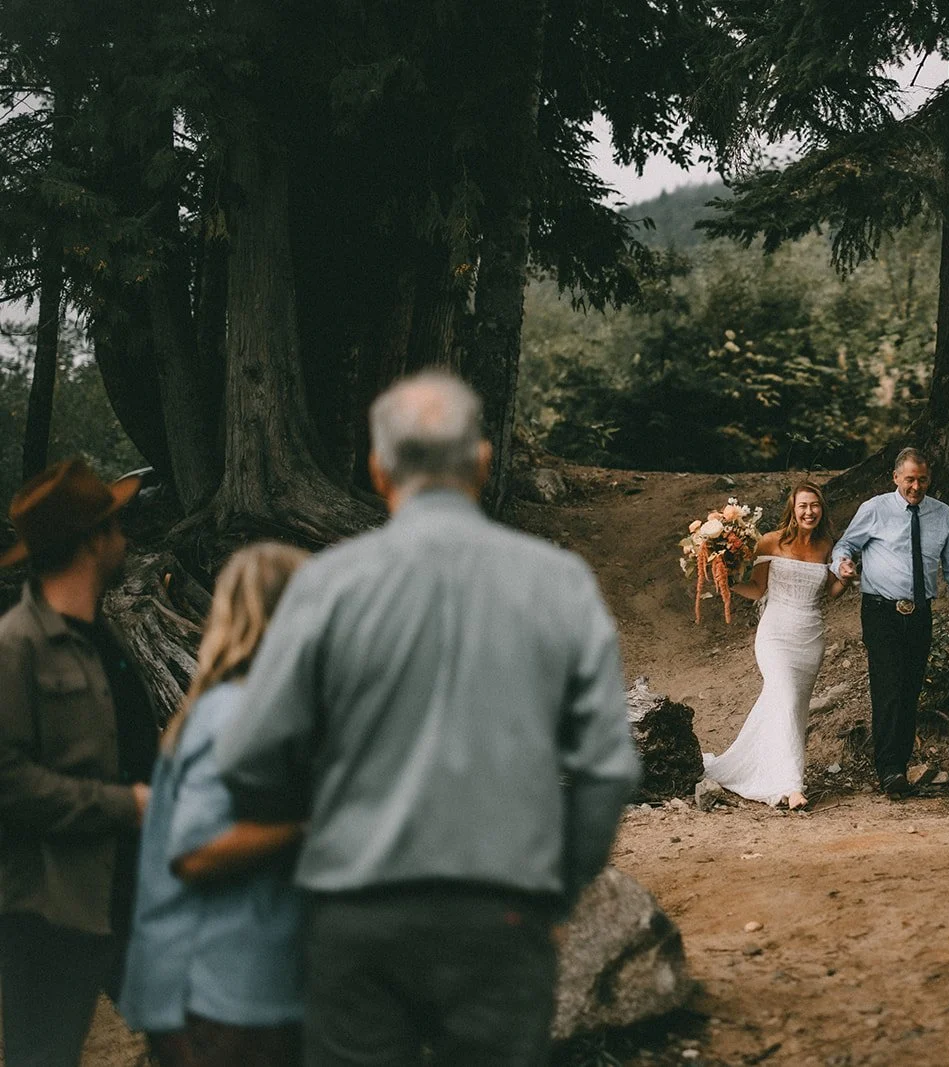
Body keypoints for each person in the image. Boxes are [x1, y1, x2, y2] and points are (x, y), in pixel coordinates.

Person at [215, 370, 639, 1067]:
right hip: (502, 912)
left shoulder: (326, 586)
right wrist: (554, 889)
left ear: (379, 470)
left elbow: (248, 758)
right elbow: (607, 767)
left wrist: (314, 837)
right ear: (483, 461)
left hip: (355, 913)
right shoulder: (559, 583)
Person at [120, 542, 311, 1067]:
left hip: (221, 988)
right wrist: (311, 825)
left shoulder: (228, 706)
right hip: (220, 994)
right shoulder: (235, 712)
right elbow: (195, 853)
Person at [0, 459, 157, 1067]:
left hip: (132, 898)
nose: (126, 539)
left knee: (193, 1044)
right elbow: (7, 784)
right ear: (93, 540)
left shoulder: (106, 641)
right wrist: (125, 806)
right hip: (51, 914)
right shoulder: (16, 648)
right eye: (117, 527)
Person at [832, 448, 949, 798]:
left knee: (910, 689)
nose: (916, 486)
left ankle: (899, 763)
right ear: (896, 477)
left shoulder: (943, 515)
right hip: (881, 611)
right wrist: (842, 564)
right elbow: (845, 545)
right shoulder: (875, 509)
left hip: (920, 613)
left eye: (922, 479)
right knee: (888, 688)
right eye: (909, 479)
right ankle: (889, 770)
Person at [702, 482, 848, 810]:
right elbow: (757, 589)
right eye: (803, 506)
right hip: (775, 634)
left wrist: (847, 578)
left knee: (791, 707)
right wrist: (728, 583)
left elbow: (831, 591)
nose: (809, 511)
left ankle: (752, 768)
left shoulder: (827, 546)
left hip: (810, 637)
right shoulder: (770, 541)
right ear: (793, 510)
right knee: (785, 695)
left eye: (815, 505)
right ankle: (791, 785)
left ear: (821, 509)